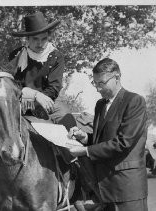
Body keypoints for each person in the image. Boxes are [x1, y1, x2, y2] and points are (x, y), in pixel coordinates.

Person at [67, 58, 148, 211]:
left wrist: (85, 151)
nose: (97, 88)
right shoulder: (100, 105)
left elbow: (124, 142)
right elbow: (101, 140)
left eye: (101, 83)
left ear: (117, 77)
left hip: (127, 189)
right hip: (104, 190)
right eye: (95, 83)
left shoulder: (135, 101)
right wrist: (84, 137)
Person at [9, 11, 68, 123]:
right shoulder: (16, 55)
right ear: (27, 39)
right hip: (22, 100)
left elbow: (54, 88)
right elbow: (11, 84)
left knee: (66, 120)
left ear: (48, 38)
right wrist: (33, 95)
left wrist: (39, 98)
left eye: (44, 39)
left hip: (49, 100)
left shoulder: (56, 56)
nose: (40, 44)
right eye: (35, 39)